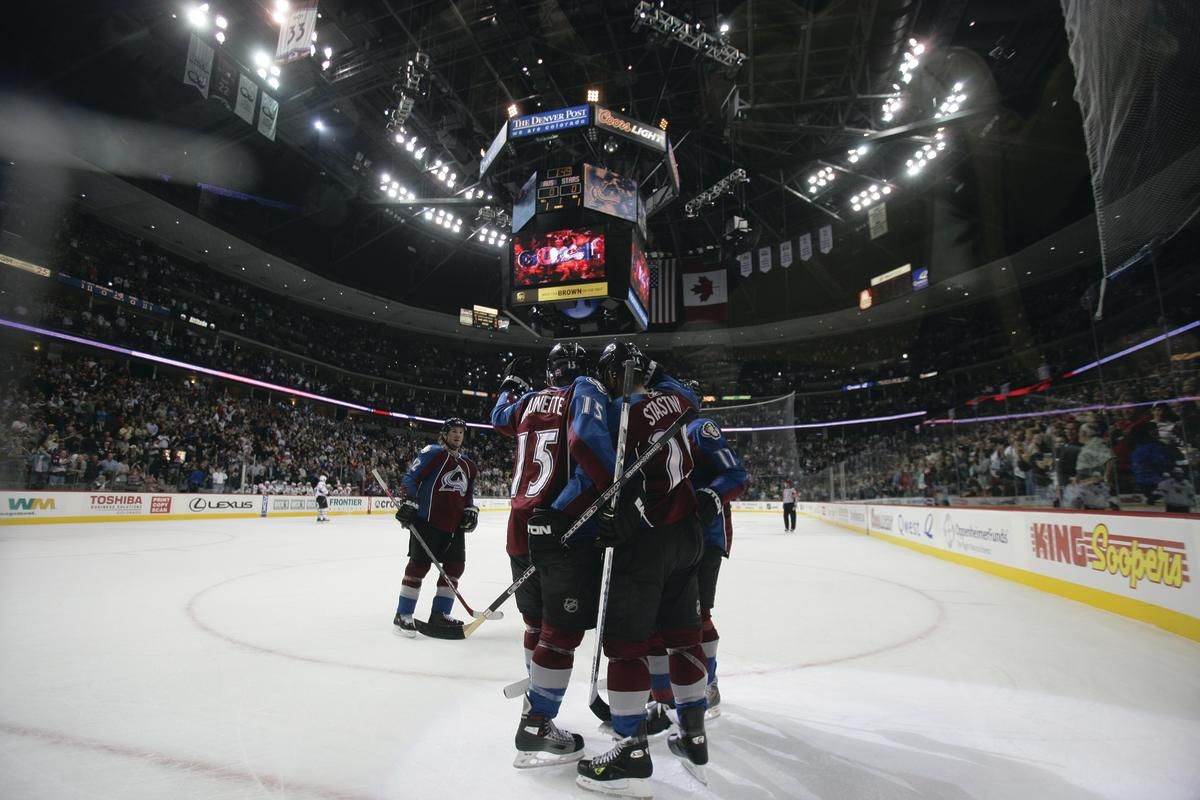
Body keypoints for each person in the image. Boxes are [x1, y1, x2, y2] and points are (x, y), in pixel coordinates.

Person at [575, 343, 709, 797]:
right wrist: (661, 371)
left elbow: (596, 456)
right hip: (688, 533)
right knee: (683, 639)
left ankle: (630, 748)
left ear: (614, 374)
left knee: (627, 649)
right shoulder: (677, 399)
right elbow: (684, 394)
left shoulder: (619, 411)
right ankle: (693, 734)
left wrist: (619, 509)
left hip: (647, 537)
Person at [490, 343, 616, 769]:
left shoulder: (525, 402)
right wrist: (573, 509)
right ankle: (537, 721)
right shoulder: (583, 389)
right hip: (561, 530)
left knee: (536, 624)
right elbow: (591, 448)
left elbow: (497, 418)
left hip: (519, 531)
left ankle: (535, 699)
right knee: (560, 634)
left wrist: (508, 387)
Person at [392, 418, 479, 636]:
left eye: (461, 432)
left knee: (455, 568)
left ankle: (440, 614)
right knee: (418, 567)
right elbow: (411, 478)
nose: (457, 435)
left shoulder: (469, 465)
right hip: (428, 521)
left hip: (454, 526)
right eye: (453, 431)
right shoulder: (433, 453)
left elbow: (467, 494)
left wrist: (470, 510)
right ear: (445, 433)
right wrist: (409, 500)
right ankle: (403, 615)